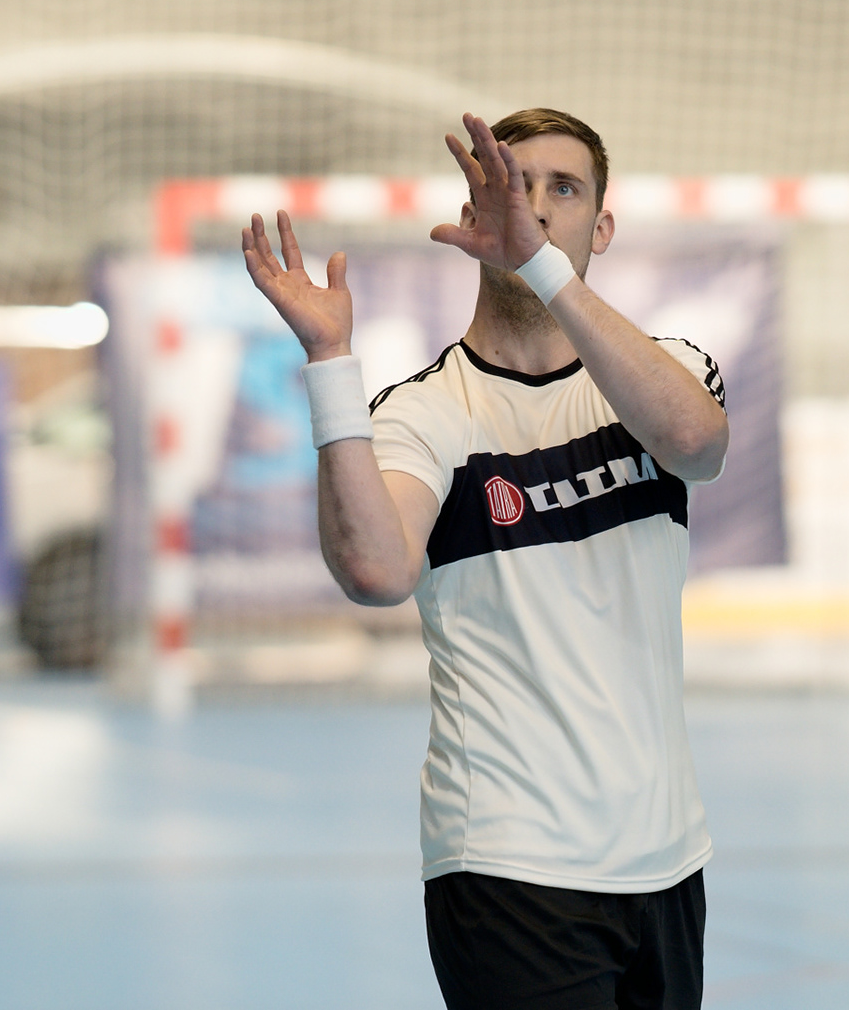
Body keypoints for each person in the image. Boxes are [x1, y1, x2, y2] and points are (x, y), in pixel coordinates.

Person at [242, 109, 729, 1010]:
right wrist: (330, 361)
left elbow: (696, 443)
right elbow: (376, 571)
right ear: (473, 214)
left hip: (668, 859)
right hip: (509, 865)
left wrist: (538, 266)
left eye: (562, 189)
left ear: (601, 228)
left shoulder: (667, 369)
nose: (532, 207)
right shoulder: (422, 414)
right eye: (511, 186)